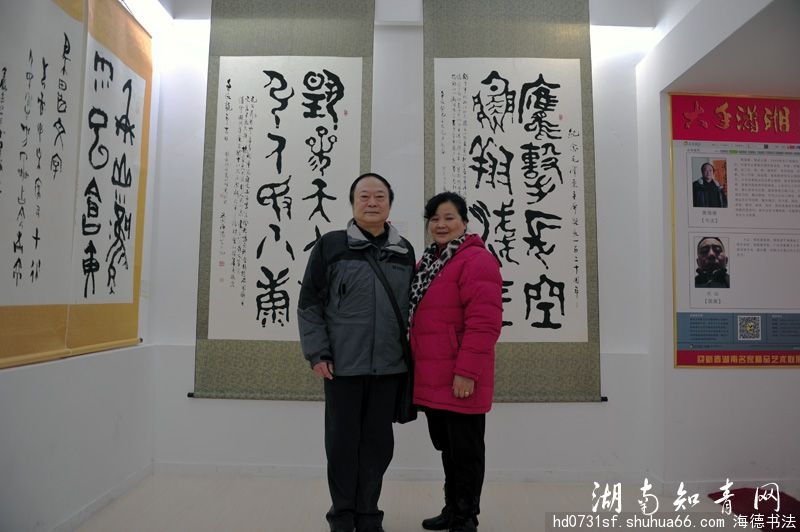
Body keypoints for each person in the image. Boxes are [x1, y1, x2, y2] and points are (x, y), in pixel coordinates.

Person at [297, 173, 416, 532]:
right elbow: (309, 304)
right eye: (364, 196)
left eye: (380, 196)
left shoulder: (404, 250)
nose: (372, 202)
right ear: (352, 203)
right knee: (341, 444)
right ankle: (342, 515)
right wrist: (318, 353)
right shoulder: (331, 245)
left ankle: (368, 514)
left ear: (390, 204)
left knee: (378, 446)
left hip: (389, 367)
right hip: (342, 367)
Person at [408, 192, 503, 532]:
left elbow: (485, 323)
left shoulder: (476, 260)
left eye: (449, 218)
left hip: (460, 378)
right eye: (434, 219)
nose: (441, 224)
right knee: (449, 449)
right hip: (435, 377)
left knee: (466, 451)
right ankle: (452, 509)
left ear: (464, 222)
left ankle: (466, 518)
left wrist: (466, 372)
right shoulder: (430, 261)